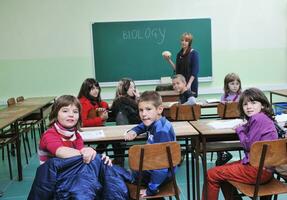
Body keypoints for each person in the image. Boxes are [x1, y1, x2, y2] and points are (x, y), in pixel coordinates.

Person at [203, 88, 278, 200]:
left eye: (253, 103)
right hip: (264, 169)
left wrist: (240, 130)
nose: (249, 107)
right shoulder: (263, 118)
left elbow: (248, 145)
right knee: (221, 173)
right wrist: (244, 127)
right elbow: (252, 130)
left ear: (262, 105)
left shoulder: (258, 119)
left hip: (258, 170)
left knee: (211, 174)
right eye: (245, 104)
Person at [125, 91, 176, 197]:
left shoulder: (162, 131)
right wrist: (134, 131)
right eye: (141, 110)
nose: (144, 114)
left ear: (159, 110)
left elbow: (161, 166)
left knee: (115, 173)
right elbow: (143, 126)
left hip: (159, 175)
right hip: (151, 168)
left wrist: (151, 189)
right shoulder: (154, 121)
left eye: (148, 109)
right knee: (117, 172)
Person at [38, 95, 111, 165]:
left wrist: (101, 159)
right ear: (55, 114)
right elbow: (61, 151)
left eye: (75, 112)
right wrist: (94, 156)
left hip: (70, 172)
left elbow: (81, 156)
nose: (71, 114)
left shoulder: (76, 135)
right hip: (52, 176)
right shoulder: (49, 134)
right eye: (65, 111)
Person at [216, 73, 242, 166]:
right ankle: (223, 154)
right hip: (225, 121)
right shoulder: (224, 96)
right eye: (232, 84)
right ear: (227, 85)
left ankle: (223, 155)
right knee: (217, 135)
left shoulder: (241, 96)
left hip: (238, 121)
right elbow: (221, 111)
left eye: (237, 84)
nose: (235, 86)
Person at [163, 32, 199, 97]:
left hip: (190, 83)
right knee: (181, 103)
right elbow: (177, 70)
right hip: (180, 84)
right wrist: (168, 60)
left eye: (186, 41)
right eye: (182, 40)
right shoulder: (179, 54)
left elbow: (195, 71)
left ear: (189, 42)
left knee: (190, 102)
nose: (183, 42)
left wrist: (189, 84)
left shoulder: (194, 53)